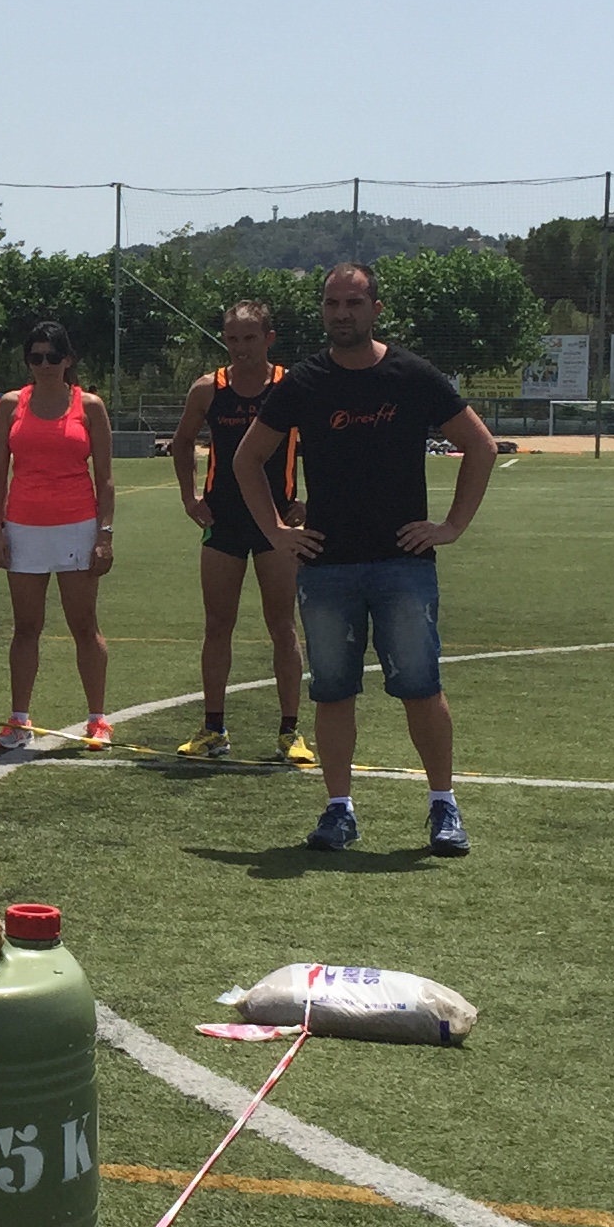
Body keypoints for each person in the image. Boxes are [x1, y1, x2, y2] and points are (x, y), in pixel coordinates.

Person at [234, 263, 497, 857]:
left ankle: (443, 805)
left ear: (376, 309)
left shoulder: (412, 374)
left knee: (421, 687)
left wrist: (451, 526)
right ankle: (339, 810)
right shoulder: (305, 382)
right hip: (327, 567)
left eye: (353, 303)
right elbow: (247, 460)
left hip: (403, 564)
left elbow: (480, 446)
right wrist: (275, 531)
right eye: (332, 303)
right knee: (332, 692)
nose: (341, 313)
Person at [171, 301, 310, 765]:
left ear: (269, 338)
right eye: (232, 338)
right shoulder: (208, 389)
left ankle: (290, 732)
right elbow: (183, 442)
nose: (240, 347)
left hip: (276, 524)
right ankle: (213, 728)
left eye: (249, 338)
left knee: (282, 626)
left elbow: (325, 446)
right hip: (224, 521)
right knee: (217, 625)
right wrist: (191, 498)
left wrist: (311, 504)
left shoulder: (290, 386)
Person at [0, 318, 116, 753]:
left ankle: (97, 719)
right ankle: (19, 720)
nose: (44, 365)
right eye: (36, 357)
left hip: (78, 525)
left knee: (84, 625)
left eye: (53, 356)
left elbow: (105, 478)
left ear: (68, 359)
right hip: (23, 527)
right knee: (26, 627)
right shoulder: (11, 404)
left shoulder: (89, 406)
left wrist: (104, 535)